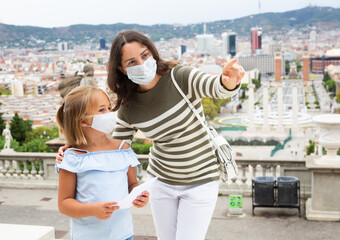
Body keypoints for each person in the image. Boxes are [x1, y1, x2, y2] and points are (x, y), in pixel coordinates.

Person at [58, 30, 244, 240]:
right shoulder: (129, 104)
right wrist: (72, 148)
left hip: (200, 179)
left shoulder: (179, 76)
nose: (141, 63)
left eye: (145, 55)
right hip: (161, 181)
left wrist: (229, 81)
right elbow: (114, 146)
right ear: (122, 68)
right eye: (131, 61)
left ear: (153, 53)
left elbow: (216, 87)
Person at [56, 85, 149, 240]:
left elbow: (132, 185)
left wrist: (139, 195)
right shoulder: (73, 158)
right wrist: (93, 210)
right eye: (101, 110)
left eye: (108, 108)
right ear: (82, 121)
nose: (110, 114)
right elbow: (64, 204)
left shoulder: (122, 149)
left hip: (123, 234)